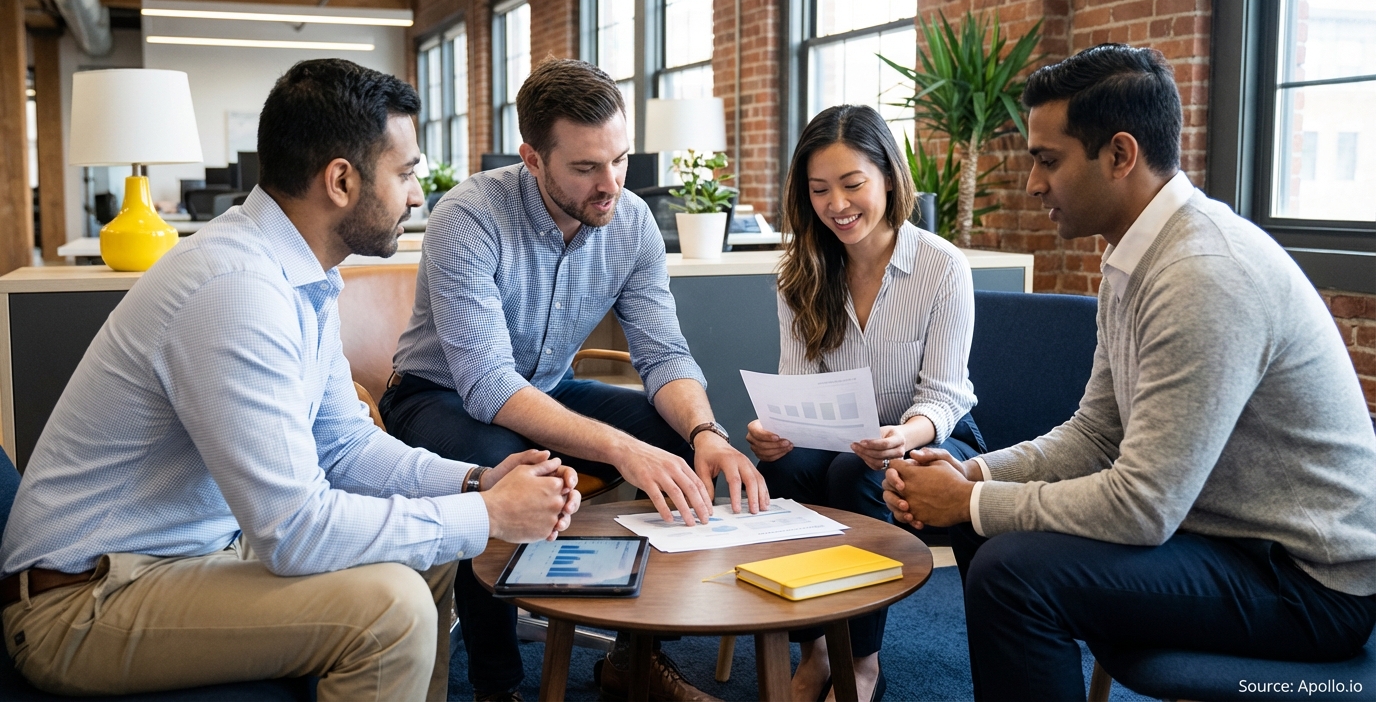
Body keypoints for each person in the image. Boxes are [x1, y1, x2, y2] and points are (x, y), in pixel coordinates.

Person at [0, 58, 580, 702]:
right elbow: (295, 530)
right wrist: (486, 514)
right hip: (80, 604)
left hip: (187, 558)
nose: (417, 195)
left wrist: (474, 482)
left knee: (433, 548)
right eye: (406, 172)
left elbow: (345, 446)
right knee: (393, 607)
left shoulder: (297, 276)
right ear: (341, 180)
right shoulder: (237, 289)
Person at [883, 44, 1376, 701]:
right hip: (1220, 536)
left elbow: (1144, 506)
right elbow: (1095, 434)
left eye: (1047, 160)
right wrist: (974, 474)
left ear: (1120, 155)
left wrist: (971, 500)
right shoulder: (1134, 257)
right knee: (991, 532)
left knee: (1013, 571)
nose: (1033, 184)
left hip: (1305, 583)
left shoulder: (1203, 274)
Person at [381, 56, 767, 702]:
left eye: (618, 160)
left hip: (549, 390)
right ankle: (498, 686)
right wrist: (618, 449)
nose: (609, 184)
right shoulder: (468, 218)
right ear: (532, 159)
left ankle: (634, 660)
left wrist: (704, 431)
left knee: (676, 447)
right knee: (505, 461)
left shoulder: (633, 223)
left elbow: (664, 354)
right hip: (437, 397)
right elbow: (489, 388)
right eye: (586, 168)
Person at [744, 104, 983, 702]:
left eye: (853, 184)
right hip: (839, 439)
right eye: (820, 190)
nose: (837, 204)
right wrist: (772, 429)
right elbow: (797, 382)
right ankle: (816, 645)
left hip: (933, 435)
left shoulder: (941, 265)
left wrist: (906, 434)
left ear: (887, 179)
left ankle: (862, 661)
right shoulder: (798, 272)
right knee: (778, 467)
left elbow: (945, 393)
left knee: (857, 474)